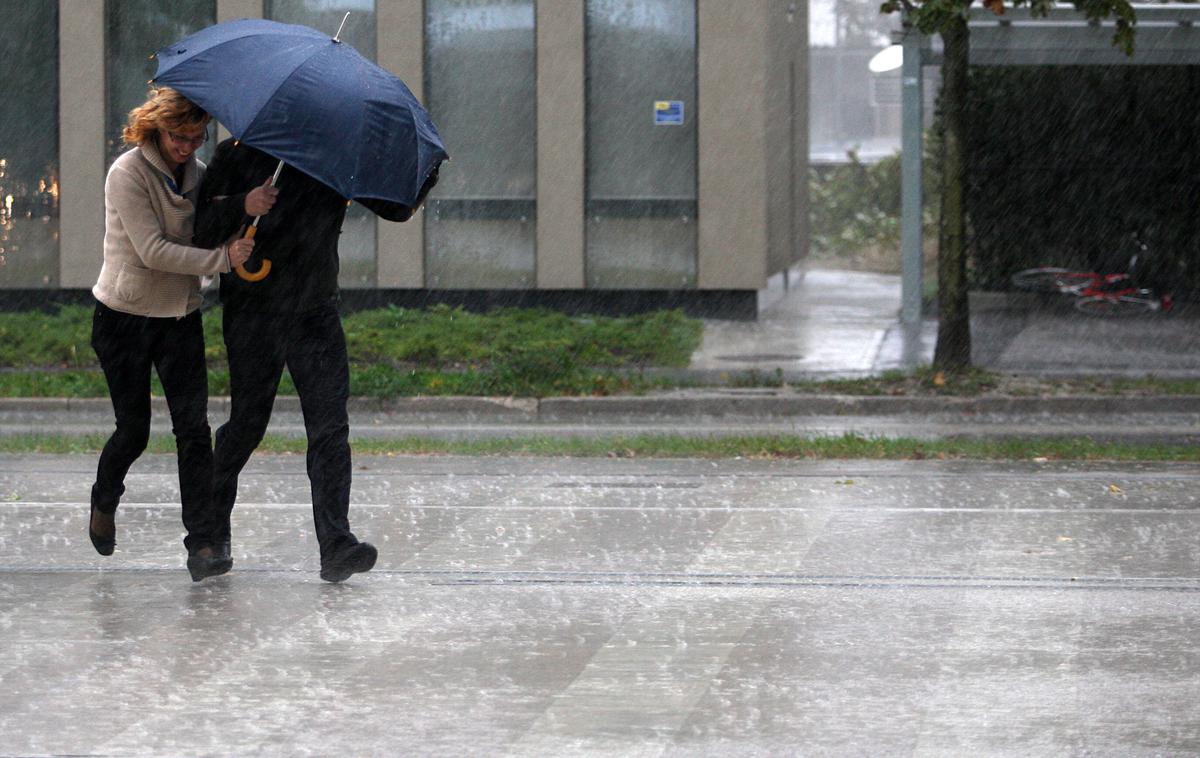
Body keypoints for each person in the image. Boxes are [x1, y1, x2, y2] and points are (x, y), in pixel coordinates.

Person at [193, 138, 434, 583]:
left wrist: (425, 171)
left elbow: (394, 208)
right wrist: (244, 204)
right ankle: (209, 536)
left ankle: (336, 545)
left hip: (314, 310)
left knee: (329, 427)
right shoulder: (235, 155)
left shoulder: (331, 155)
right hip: (254, 311)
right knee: (247, 424)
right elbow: (201, 228)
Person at [90, 87, 261, 581]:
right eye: (178, 136)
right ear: (156, 129)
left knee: (193, 431)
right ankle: (104, 498)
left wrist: (241, 215)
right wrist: (220, 260)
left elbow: (205, 228)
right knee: (134, 430)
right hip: (123, 316)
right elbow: (152, 250)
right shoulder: (127, 173)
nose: (187, 146)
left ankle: (202, 544)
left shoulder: (200, 177)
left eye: (196, 137)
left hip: (180, 318)